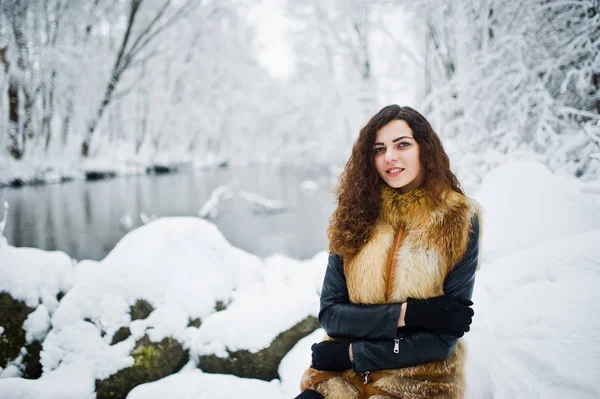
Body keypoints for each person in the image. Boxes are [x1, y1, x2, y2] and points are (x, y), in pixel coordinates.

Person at [295, 105, 483, 399]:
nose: (389, 157)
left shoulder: (458, 219)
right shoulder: (355, 213)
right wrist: (409, 314)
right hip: (340, 379)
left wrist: (353, 352)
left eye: (402, 144)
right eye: (379, 149)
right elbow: (331, 314)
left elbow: (443, 338)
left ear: (425, 149)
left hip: (418, 381)